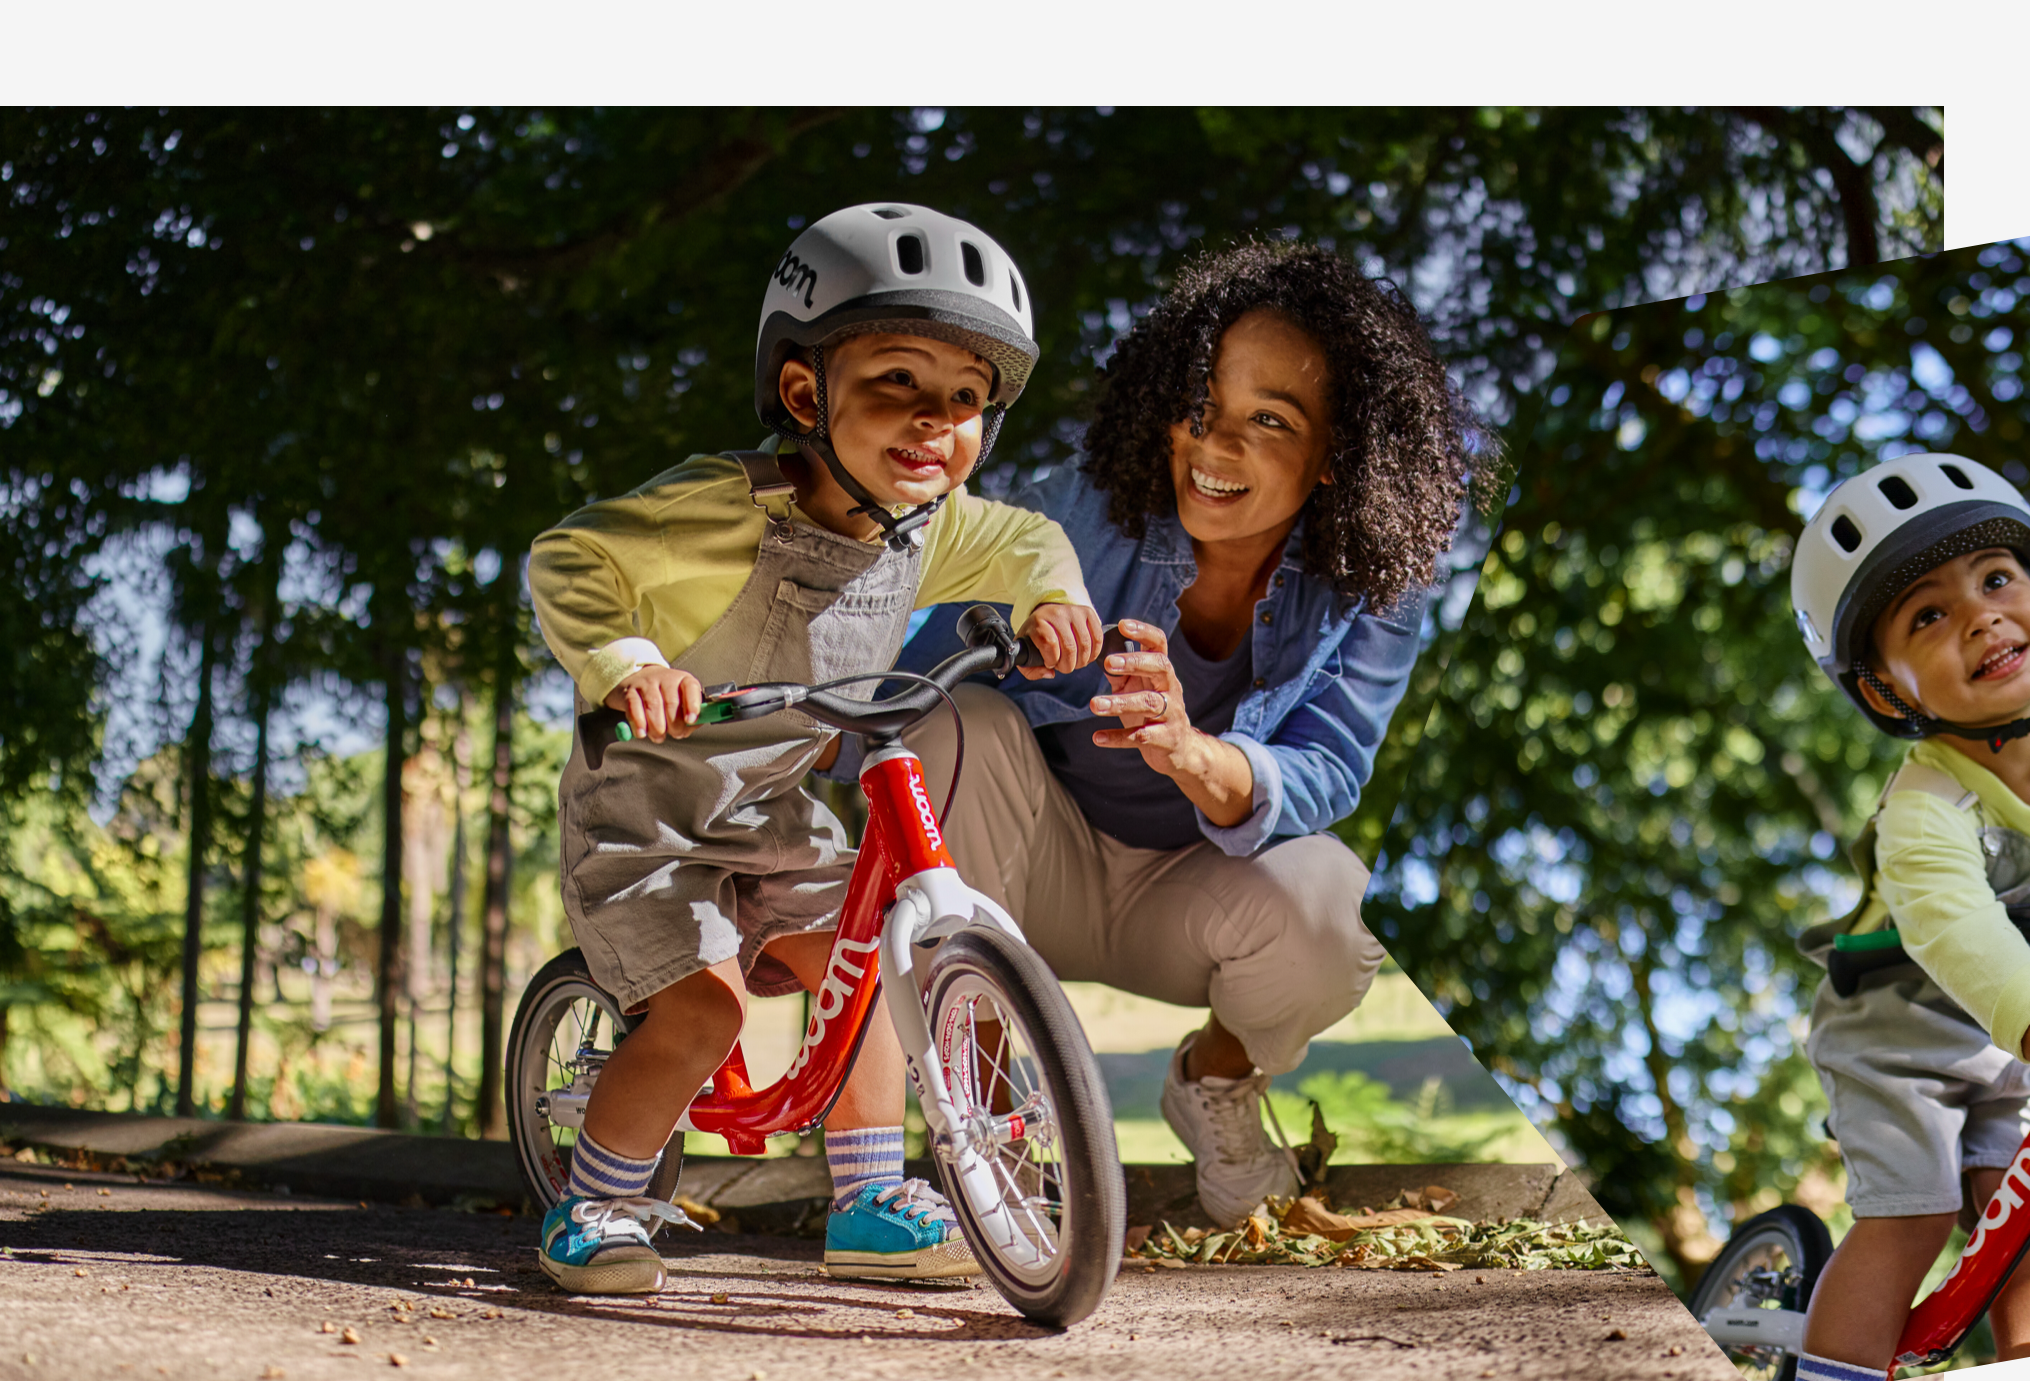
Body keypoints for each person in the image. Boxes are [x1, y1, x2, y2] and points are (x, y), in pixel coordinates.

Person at [524, 202, 1103, 1295]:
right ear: (804, 393)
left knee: (874, 955)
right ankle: (594, 1199)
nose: (935, 422)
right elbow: (571, 556)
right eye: (896, 382)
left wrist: (1051, 600)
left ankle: (871, 1199)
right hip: (648, 818)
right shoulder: (719, 510)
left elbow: (1032, 540)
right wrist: (628, 662)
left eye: (967, 397)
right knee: (706, 1008)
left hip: (771, 816)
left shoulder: (930, 525)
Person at [891, 238, 1490, 1227]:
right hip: (1025, 862)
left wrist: (1194, 751)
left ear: (1337, 456)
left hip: (1187, 896)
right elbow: (902, 647)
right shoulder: (1085, 508)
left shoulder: (1375, 585)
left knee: (1330, 908)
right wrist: (1006, 636)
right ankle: (982, 1122)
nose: (1216, 448)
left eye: (1269, 420)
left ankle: (1213, 1082)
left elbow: (1333, 762)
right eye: (1203, 406)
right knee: (959, 718)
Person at [1778, 453, 2030, 1381]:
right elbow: (1963, 937)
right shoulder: (1923, 810)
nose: (1978, 616)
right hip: (1900, 1037)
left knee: (2029, 1214)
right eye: (1928, 615)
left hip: (2022, 1039)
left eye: (1997, 580)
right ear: (1888, 692)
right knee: (1914, 1212)